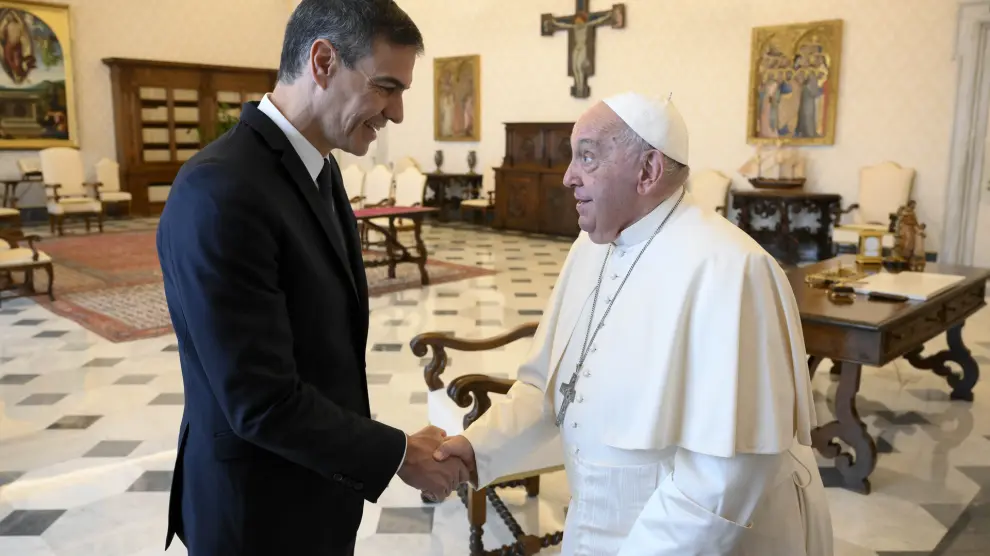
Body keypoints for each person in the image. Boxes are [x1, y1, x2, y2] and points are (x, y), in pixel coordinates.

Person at [434, 91, 834, 555]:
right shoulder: (590, 248)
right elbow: (545, 388)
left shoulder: (731, 269)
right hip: (592, 531)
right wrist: (474, 447)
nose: (568, 177)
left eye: (587, 156)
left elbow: (725, 477)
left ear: (648, 171)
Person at [156, 1, 467, 555]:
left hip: (316, 489)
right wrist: (397, 454)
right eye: (386, 87)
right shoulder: (222, 189)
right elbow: (260, 400)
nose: (396, 113)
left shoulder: (318, 167)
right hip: (257, 511)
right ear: (322, 61)